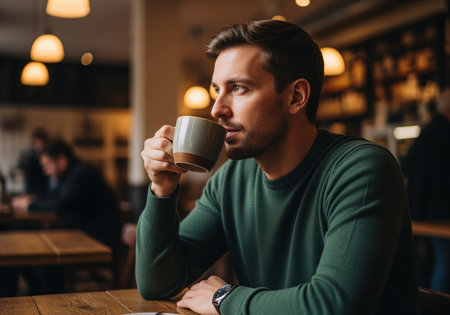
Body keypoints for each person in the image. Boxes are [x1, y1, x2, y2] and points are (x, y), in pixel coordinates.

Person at [137, 20, 419, 314]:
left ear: (295, 97)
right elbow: (158, 283)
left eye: (238, 88)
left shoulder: (362, 169)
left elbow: (335, 306)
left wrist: (224, 298)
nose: (217, 108)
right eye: (217, 90)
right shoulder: (232, 180)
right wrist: (162, 188)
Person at [12, 139, 120, 249]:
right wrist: (34, 199)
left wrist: (28, 205)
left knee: (37, 250)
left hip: (98, 240)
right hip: (84, 234)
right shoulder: (70, 175)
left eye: (47, 165)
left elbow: (60, 205)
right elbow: (54, 196)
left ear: (62, 161)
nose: (46, 171)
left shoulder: (80, 174)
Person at [403, 89, 450, 293]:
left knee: (433, 260)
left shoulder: (427, 131)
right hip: (439, 212)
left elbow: (407, 166)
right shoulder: (444, 133)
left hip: (421, 209)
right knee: (444, 262)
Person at [17, 128, 49, 196]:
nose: (39, 145)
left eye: (41, 142)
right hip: (29, 188)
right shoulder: (27, 155)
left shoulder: (48, 155)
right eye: (37, 142)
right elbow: (20, 169)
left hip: (44, 189)